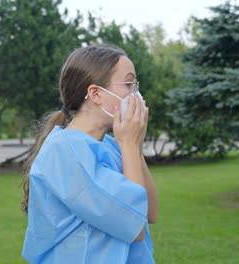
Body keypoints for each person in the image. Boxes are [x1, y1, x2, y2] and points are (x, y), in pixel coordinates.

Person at [21, 45, 158, 264]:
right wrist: (130, 146)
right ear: (95, 94)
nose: (136, 94)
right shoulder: (64, 151)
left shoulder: (114, 145)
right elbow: (134, 226)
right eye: (129, 84)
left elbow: (150, 212)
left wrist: (135, 146)